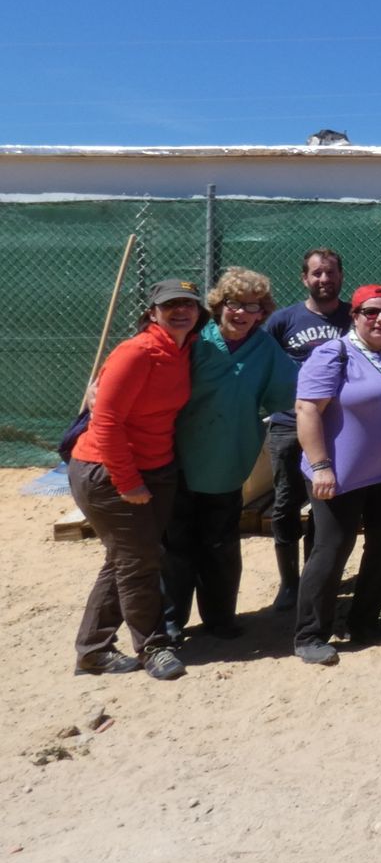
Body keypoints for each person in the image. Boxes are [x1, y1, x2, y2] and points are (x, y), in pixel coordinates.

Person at [68, 278, 206, 681]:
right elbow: (105, 421)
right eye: (170, 305)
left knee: (126, 559)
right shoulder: (136, 352)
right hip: (109, 471)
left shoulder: (184, 349)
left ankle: (92, 650)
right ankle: (153, 647)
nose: (181, 311)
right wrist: (127, 481)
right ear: (152, 312)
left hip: (157, 466)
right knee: (141, 562)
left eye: (188, 304)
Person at [293, 285, 381, 666]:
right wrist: (320, 466)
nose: (380, 319)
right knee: (332, 550)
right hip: (338, 477)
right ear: (354, 316)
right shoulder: (334, 355)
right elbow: (307, 410)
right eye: (370, 312)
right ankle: (310, 634)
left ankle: (364, 621)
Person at [166, 268, 297, 640]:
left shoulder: (266, 348)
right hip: (180, 456)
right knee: (176, 544)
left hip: (229, 459)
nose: (241, 313)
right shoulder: (195, 340)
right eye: (234, 304)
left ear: (262, 312)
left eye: (251, 307)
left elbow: (291, 391)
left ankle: (220, 618)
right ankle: (171, 621)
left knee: (221, 543)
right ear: (219, 305)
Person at [262, 248, 351, 610]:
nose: (324, 280)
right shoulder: (283, 320)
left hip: (334, 426)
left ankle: (317, 575)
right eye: (316, 274)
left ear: (341, 277)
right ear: (304, 278)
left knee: (325, 503)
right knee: (285, 503)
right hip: (287, 423)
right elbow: (261, 360)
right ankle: (288, 583)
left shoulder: (353, 317)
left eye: (330, 273)